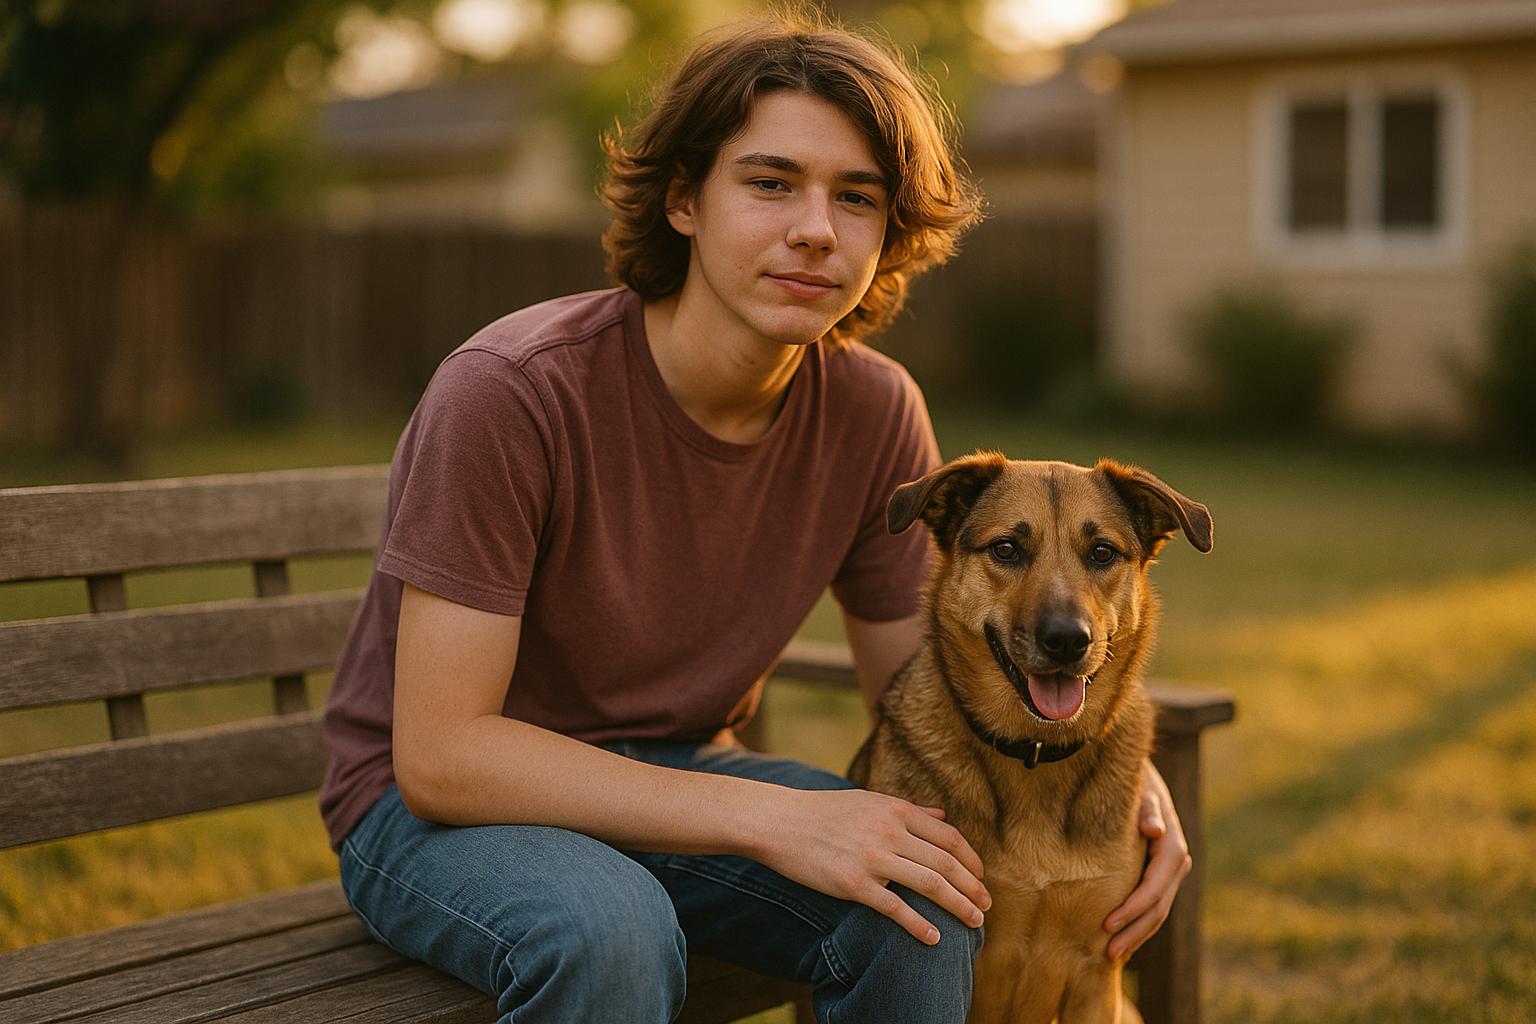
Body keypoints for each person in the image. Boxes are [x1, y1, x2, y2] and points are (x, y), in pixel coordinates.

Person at [319, 11, 1191, 1023]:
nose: (816, 228)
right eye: (771, 182)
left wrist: (1113, 781)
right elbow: (442, 755)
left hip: (680, 770)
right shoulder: (512, 392)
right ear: (685, 198)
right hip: (438, 812)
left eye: (856, 197)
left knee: (926, 885)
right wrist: (770, 817)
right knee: (611, 930)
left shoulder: (872, 410)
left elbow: (931, 693)